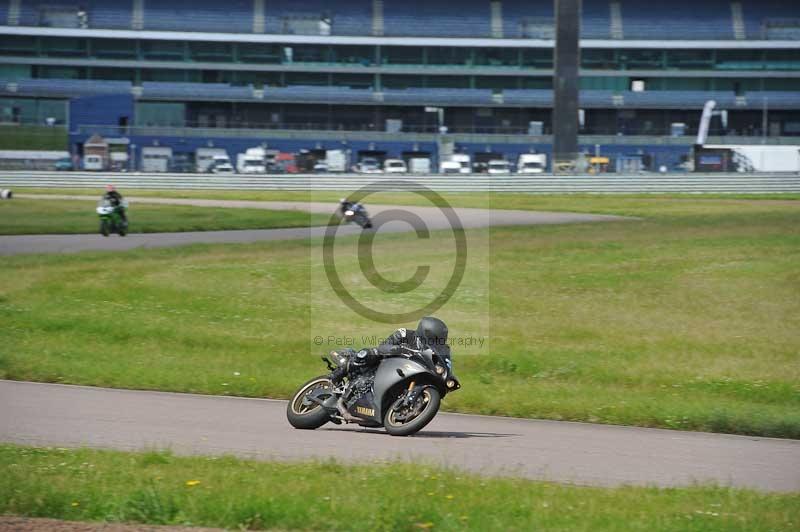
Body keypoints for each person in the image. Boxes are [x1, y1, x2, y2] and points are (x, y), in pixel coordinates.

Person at [328, 317, 449, 421]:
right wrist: (397, 349)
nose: (438, 342)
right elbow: (384, 346)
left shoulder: (437, 350)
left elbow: (444, 361)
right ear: (426, 333)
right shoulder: (406, 334)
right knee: (368, 353)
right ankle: (338, 374)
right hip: (386, 363)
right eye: (436, 338)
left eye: (441, 339)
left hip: (406, 373)